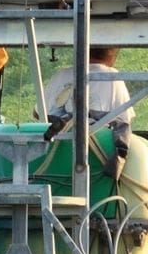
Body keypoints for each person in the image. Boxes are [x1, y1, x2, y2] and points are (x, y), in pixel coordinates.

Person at [42, 46, 133, 178]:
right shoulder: (113, 77)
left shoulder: (60, 75)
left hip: (53, 155)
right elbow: (125, 121)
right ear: (112, 54)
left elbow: (40, 115)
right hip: (95, 162)